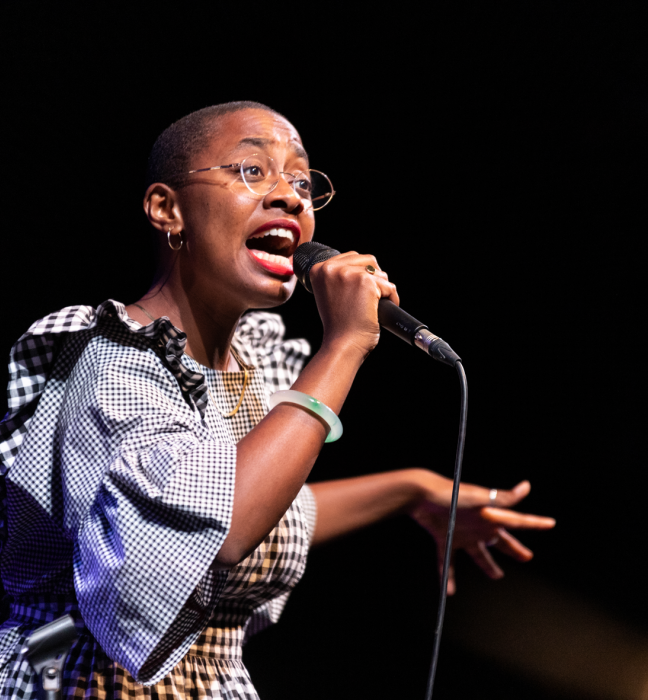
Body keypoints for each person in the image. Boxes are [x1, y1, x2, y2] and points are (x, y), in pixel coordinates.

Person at [0, 101, 555, 699]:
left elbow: (261, 501)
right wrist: (344, 346)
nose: (291, 198)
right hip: (74, 683)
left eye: (300, 181)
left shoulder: (247, 368)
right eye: (252, 171)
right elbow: (222, 522)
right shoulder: (105, 357)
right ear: (167, 208)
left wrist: (411, 490)